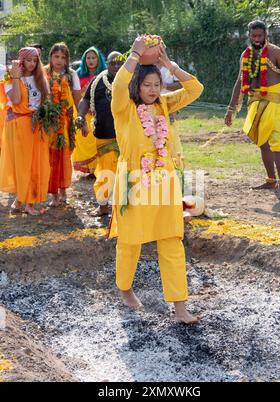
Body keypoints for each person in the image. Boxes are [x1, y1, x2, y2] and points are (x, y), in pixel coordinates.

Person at [110, 36, 204, 324]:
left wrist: (168, 65)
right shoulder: (123, 108)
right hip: (133, 183)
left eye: (156, 84)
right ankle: (125, 290)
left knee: (172, 243)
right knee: (129, 242)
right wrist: (137, 54)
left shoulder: (164, 104)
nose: (152, 90)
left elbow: (195, 89)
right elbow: (117, 85)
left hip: (165, 183)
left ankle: (180, 309)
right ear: (136, 86)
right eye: (146, 85)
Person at [225, 20, 280, 200]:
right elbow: (239, 81)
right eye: (253, 36)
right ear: (249, 36)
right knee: (262, 142)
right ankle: (270, 180)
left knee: (277, 143)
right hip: (255, 102)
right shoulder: (246, 54)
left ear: (266, 35)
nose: (257, 39)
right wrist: (230, 109)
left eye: (260, 36)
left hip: (274, 102)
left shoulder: (275, 52)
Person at [0, 47, 50, 215]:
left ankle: (26, 202)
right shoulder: (10, 77)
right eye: (29, 60)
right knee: (22, 164)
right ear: (22, 60)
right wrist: (15, 78)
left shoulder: (41, 78)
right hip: (19, 125)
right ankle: (23, 200)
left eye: (35, 61)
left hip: (37, 125)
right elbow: (15, 99)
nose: (32, 64)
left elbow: (45, 102)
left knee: (35, 163)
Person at [76, 51, 123, 216]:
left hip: (127, 137)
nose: (116, 66)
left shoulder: (131, 80)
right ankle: (103, 207)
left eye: (119, 63)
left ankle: (126, 209)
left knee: (128, 174)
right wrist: (81, 115)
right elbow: (86, 100)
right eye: (112, 63)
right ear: (107, 64)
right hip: (104, 135)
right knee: (104, 174)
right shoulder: (98, 81)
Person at [46, 42, 81, 207]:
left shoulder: (72, 74)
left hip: (66, 122)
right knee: (50, 157)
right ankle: (53, 194)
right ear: (50, 57)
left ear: (67, 60)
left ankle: (63, 190)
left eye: (63, 57)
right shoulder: (44, 73)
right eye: (56, 56)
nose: (59, 60)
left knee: (64, 155)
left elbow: (77, 99)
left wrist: (81, 118)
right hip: (48, 122)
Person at [72, 46, 107, 176]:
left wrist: (96, 108)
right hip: (83, 112)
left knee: (98, 139)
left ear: (98, 60)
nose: (91, 60)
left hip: (99, 112)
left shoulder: (105, 74)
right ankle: (89, 169)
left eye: (94, 58)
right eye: (88, 58)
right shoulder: (78, 75)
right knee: (84, 139)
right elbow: (76, 95)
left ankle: (98, 168)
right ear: (84, 59)